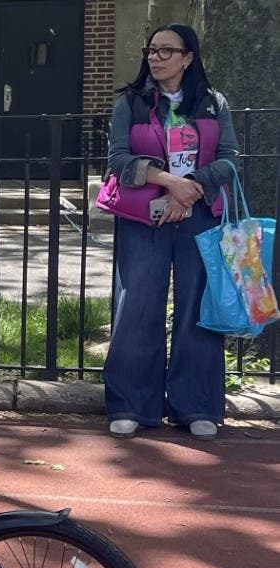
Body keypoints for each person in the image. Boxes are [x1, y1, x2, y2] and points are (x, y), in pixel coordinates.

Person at [105, 23, 239, 442]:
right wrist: (168, 183)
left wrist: (190, 190)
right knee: (138, 305)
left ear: (188, 57)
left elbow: (230, 157)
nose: (155, 57)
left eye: (166, 50)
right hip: (145, 216)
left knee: (196, 307)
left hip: (199, 215)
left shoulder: (214, 104)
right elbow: (118, 159)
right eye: (151, 50)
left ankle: (196, 405)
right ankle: (130, 404)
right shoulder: (131, 103)